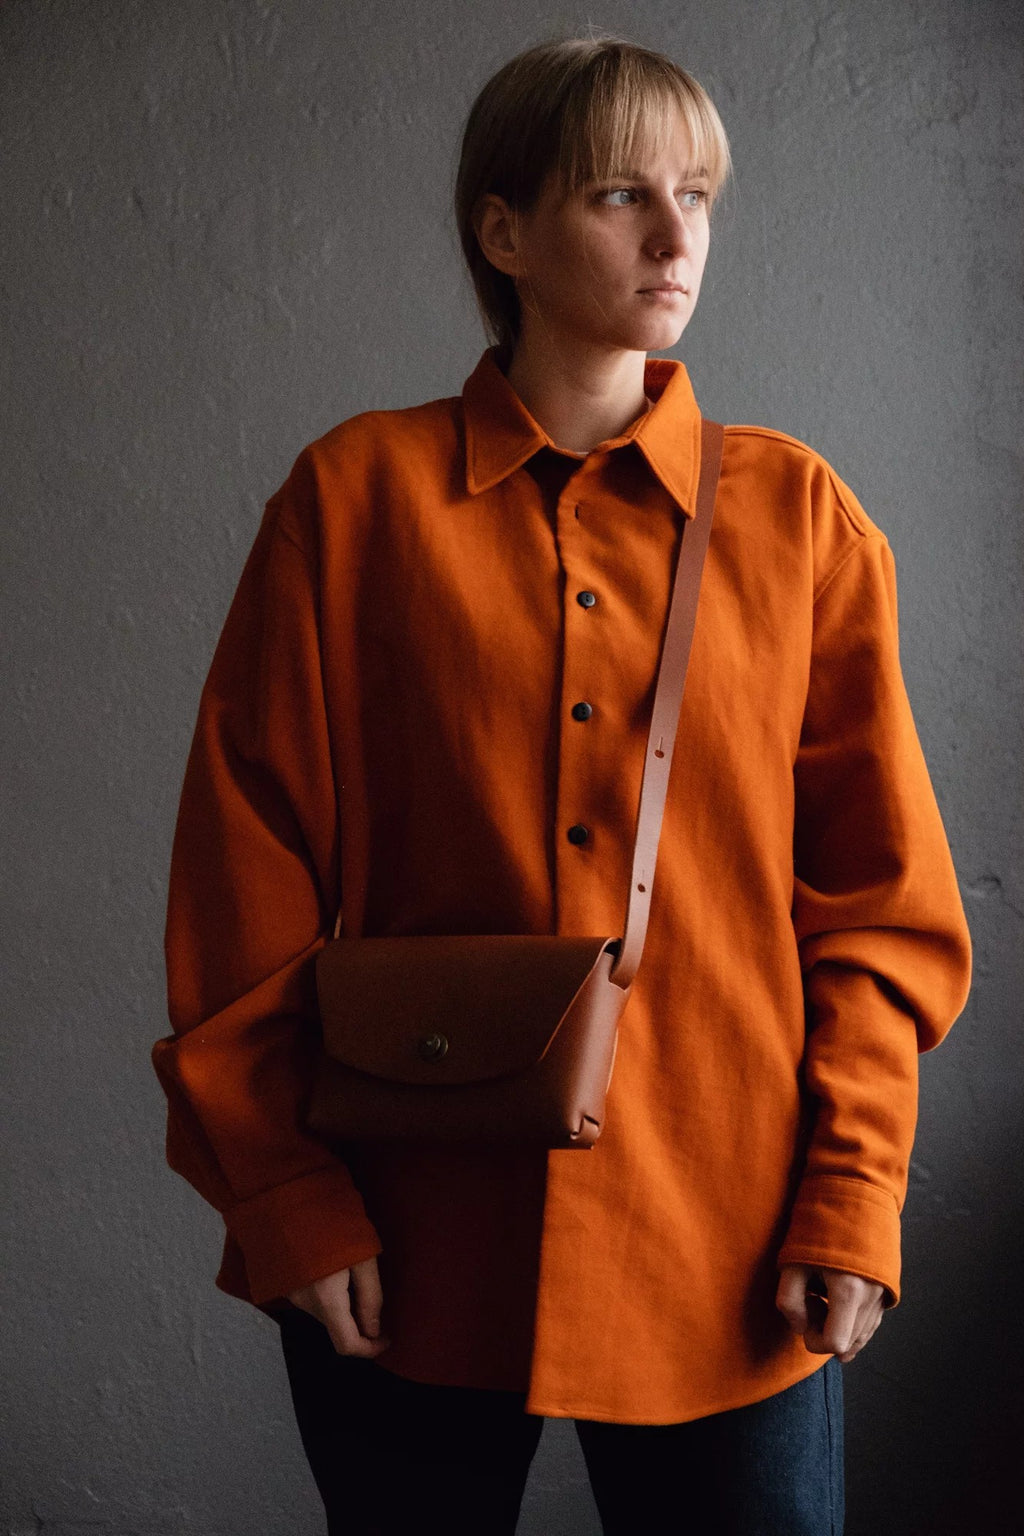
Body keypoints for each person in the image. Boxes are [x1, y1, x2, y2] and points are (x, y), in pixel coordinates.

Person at [152, 32, 973, 1536]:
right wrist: (285, 1196)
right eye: (620, 194)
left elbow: (883, 908)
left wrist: (855, 1193)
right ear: (504, 230)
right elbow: (242, 869)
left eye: (701, 196)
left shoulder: (803, 526)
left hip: (733, 1248)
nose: (677, 239)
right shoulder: (353, 504)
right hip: (409, 1244)